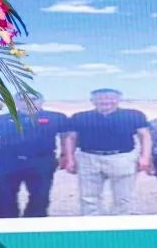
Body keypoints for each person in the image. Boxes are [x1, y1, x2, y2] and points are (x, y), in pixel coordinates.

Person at [61, 88, 151, 216]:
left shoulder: (134, 115)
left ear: (119, 99)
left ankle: (119, 223)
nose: (105, 101)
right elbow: (71, 138)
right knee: (88, 197)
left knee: (123, 198)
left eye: (110, 98)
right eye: (100, 98)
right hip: (88, 158)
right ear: (92, 100)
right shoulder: (80, 117)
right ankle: (93, 224)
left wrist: (145, 157)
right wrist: (70, 159)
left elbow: (145, 136)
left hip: (122, 158)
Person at [0, 94, 66, 218]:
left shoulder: (55, 118)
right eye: (22, 99)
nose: (27, 102)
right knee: (5, 197)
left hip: (41, 162)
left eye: (33, 99)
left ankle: (33, 226)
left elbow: (66, 136)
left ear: (42, 101)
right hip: (7, 162)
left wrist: (65, 156)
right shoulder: (0, 120)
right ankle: (7, 226)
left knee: (40, 197)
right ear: (15, 102)